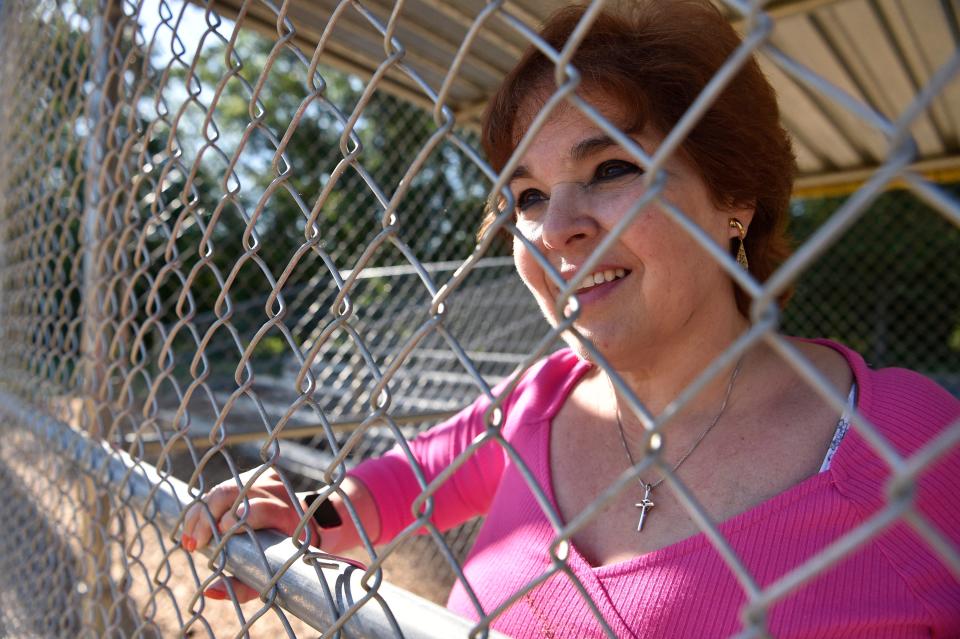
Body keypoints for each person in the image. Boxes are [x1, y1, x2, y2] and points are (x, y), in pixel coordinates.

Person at [182, 2, 960, 637]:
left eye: (612, 168)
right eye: (527, 195)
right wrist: (303, 517)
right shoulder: (540, 397)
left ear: (735, 202)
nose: (555, 229)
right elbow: (401, 484)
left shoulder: (916, 446)